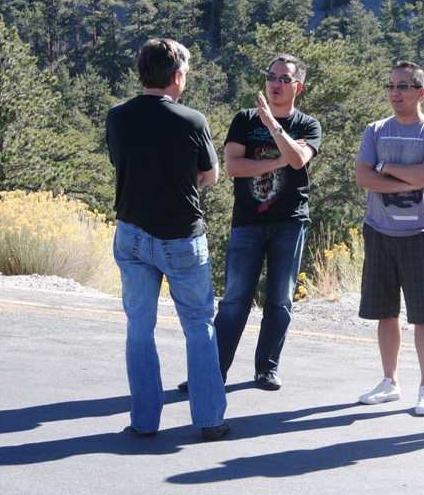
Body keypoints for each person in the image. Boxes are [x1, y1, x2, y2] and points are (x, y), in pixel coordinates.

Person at [106, 38, 230, 441]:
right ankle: (209, 419)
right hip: (181, 237)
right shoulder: (191, 120)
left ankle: (144, 421)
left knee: (139, 327)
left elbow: (120, 162)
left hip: (131, 231)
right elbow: (210, 175)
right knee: (198, 325)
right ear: (176, 76)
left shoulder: (117, 116)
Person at [213, 54, 321, 391]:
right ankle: (212, 372)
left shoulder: (308, 125)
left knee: (280, 301)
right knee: (234, 301)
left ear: (297, 87)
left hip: (290, 223)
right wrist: (277, 160)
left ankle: (266, 369)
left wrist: (273, 126)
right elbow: (233, 167)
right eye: (271, 76)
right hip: (248, 221)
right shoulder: (245, 119)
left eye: (284, 79)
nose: (275, 83)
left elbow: (298, 159)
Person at [355, 60, 424, 416]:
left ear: (421, 92)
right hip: (379, 231)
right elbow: (363, 178)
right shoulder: (375, 130)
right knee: (386, 313)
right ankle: (389, 382)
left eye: (403, 86)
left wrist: (387, 169)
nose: (395, 93)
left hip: (420, 234)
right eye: (391, 86)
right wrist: (409, 179)